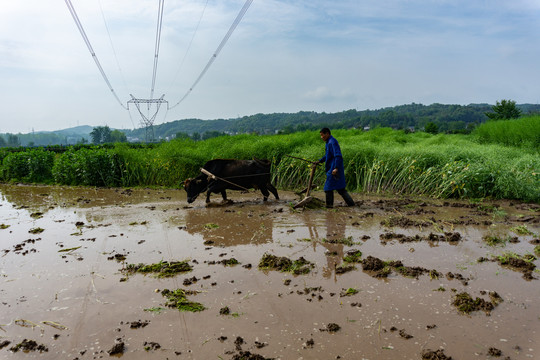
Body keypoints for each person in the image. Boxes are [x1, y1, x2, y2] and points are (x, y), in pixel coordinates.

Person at [317, 128, 355, 208]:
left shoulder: (332, 142)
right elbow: (328, 155)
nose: (321, 137)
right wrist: (319, 161)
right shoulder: (328, 142)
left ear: (327, 134)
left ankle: (329, 207)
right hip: (333, 168)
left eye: (322, 135)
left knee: (328, 188)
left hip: (334, 169)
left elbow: (338, 156)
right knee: (340, 189)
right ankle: (352, 205)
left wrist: (336, 168)